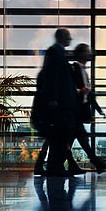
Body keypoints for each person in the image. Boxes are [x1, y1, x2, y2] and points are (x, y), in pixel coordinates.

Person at [31, 28, 78, 177]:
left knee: (57, 138)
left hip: (60, 104)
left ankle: (55, 168)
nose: (70, 40)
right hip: (58, 105)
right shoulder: (54, 52)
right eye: (68, 37)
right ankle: (55, 168)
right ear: (62, 37)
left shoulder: (58, 52)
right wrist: (53, 99)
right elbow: (52, 77)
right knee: (59, 137)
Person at [69, 43, 106, 174]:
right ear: (82, 54)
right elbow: (69, 89)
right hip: (74, 112)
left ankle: (73, 166)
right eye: (87, 51)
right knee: (82, 139)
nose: (90, 53)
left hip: (79, 113)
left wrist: (99, 109)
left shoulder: (84, 71)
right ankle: (98, 164)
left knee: (72, 141)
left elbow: (90, 95)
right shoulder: (74, 69)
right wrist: (80, 91)